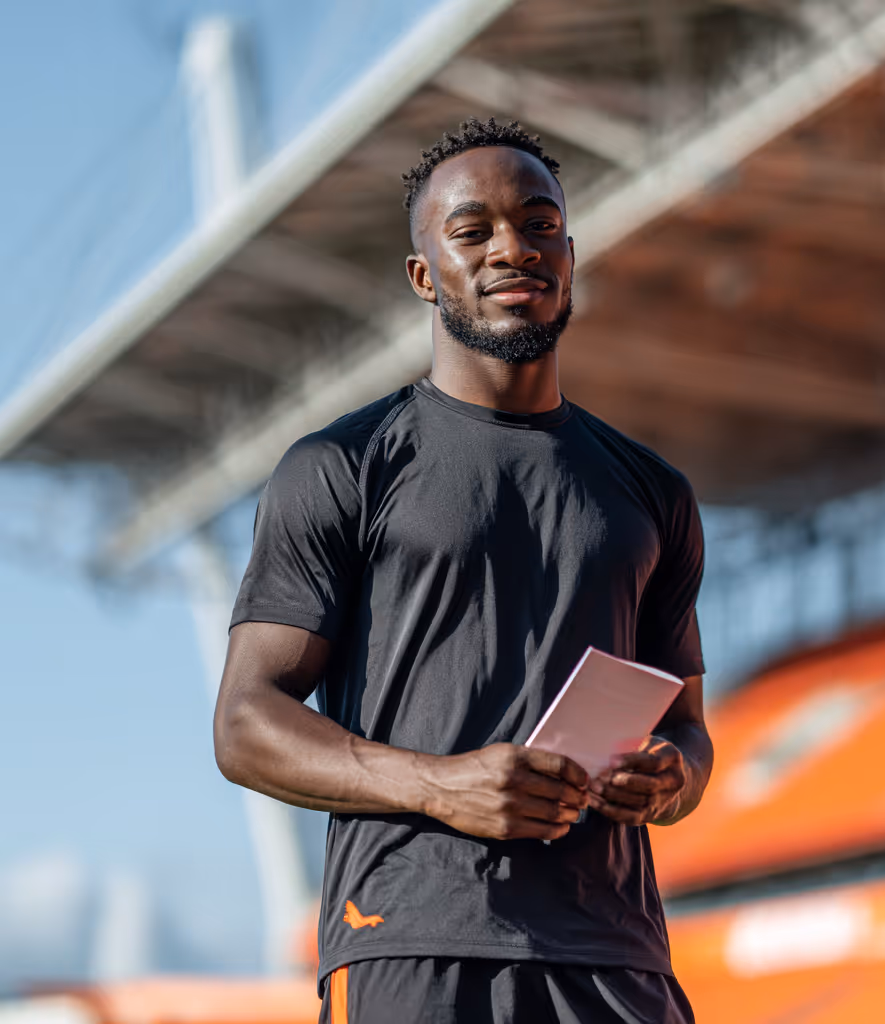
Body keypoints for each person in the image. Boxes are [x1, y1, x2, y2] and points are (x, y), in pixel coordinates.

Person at [215, 117, 713, 1023]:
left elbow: (688, 729)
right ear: (423, 275)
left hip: (618, 955)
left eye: (539, 223)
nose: (513, 249)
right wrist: (442, 785)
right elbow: (246, 725)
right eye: (472, 230)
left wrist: (669, 778)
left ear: (569, 250)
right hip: (413, 937)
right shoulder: (341, 466)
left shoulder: (654, 492)